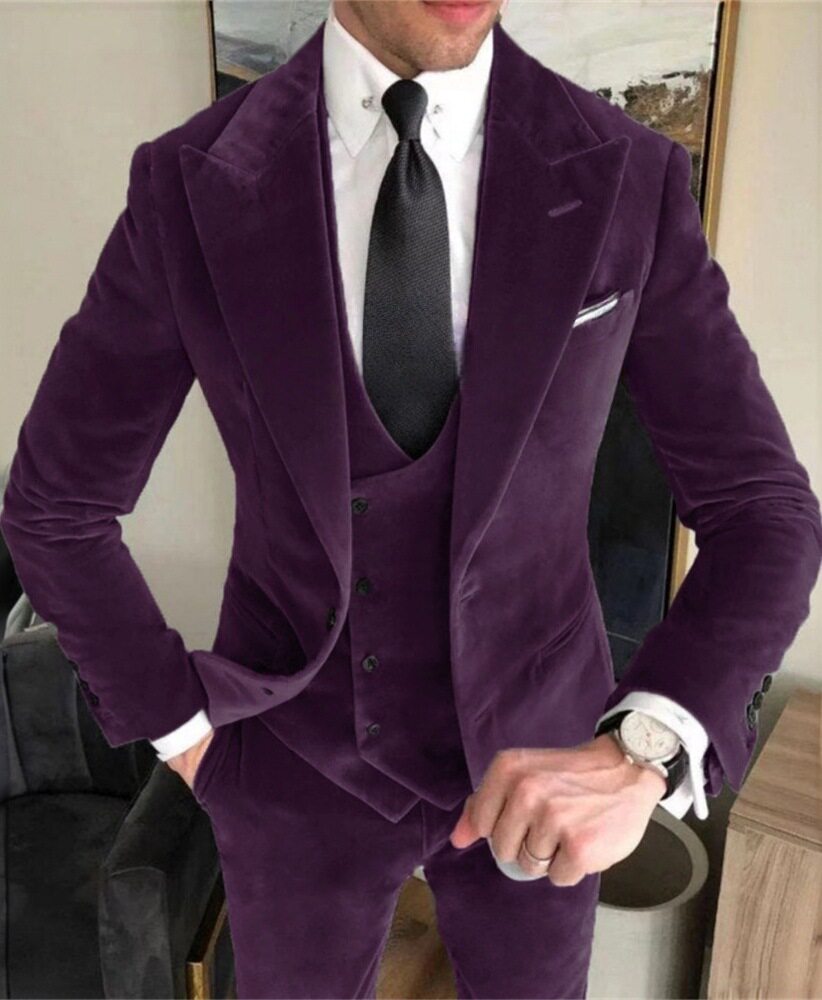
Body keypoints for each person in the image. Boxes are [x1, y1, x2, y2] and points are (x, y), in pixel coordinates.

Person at [2, 1, 820, 996]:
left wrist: (644, 748)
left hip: (544, 749)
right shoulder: (189, 183)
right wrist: (177, 726)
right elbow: (56, 503)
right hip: (290, 764)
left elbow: (764, 511)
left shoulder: (627, 174)